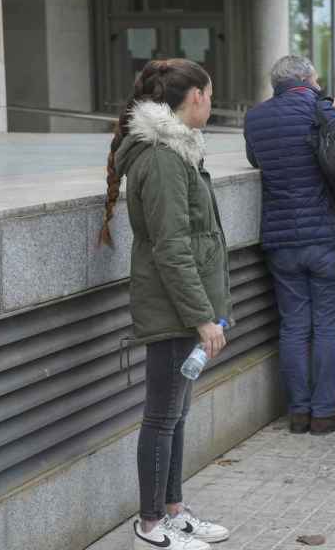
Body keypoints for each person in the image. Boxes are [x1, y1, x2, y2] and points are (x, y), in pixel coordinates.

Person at [100, 59, 231, 550]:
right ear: (193, 96)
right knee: (161, 417)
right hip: (174, 308)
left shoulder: (178, 151)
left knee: (175, 415)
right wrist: (201, 317)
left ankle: (173, 511)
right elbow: (171, 246)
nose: (213, 103)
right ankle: (150, 526)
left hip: (186, 306)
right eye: (211, 94)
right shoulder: (160, 157)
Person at [244, 55, 335, 436]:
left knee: (293, 326)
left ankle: (298, 412)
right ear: (308, 79)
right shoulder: (322, 112)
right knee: (327, 328)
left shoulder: (255, 118)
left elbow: (255, 159)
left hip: (280, 239)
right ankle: (324, 412)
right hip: (326, 236)